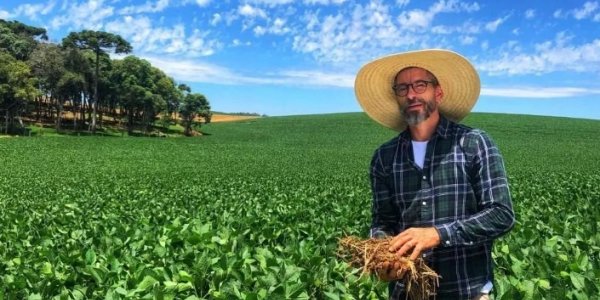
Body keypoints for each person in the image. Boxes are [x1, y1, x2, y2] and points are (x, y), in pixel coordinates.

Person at [354, 49, 515, 300]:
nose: (411, 94)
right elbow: (383, 222)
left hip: (467, 291)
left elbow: (501, 214)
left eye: (421, 85)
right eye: (403, 88)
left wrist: (438, 234)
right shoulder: (384, 157)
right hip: (407, 293)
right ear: (397, 98)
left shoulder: (473, 143)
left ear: (438, 93)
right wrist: (382, 255)